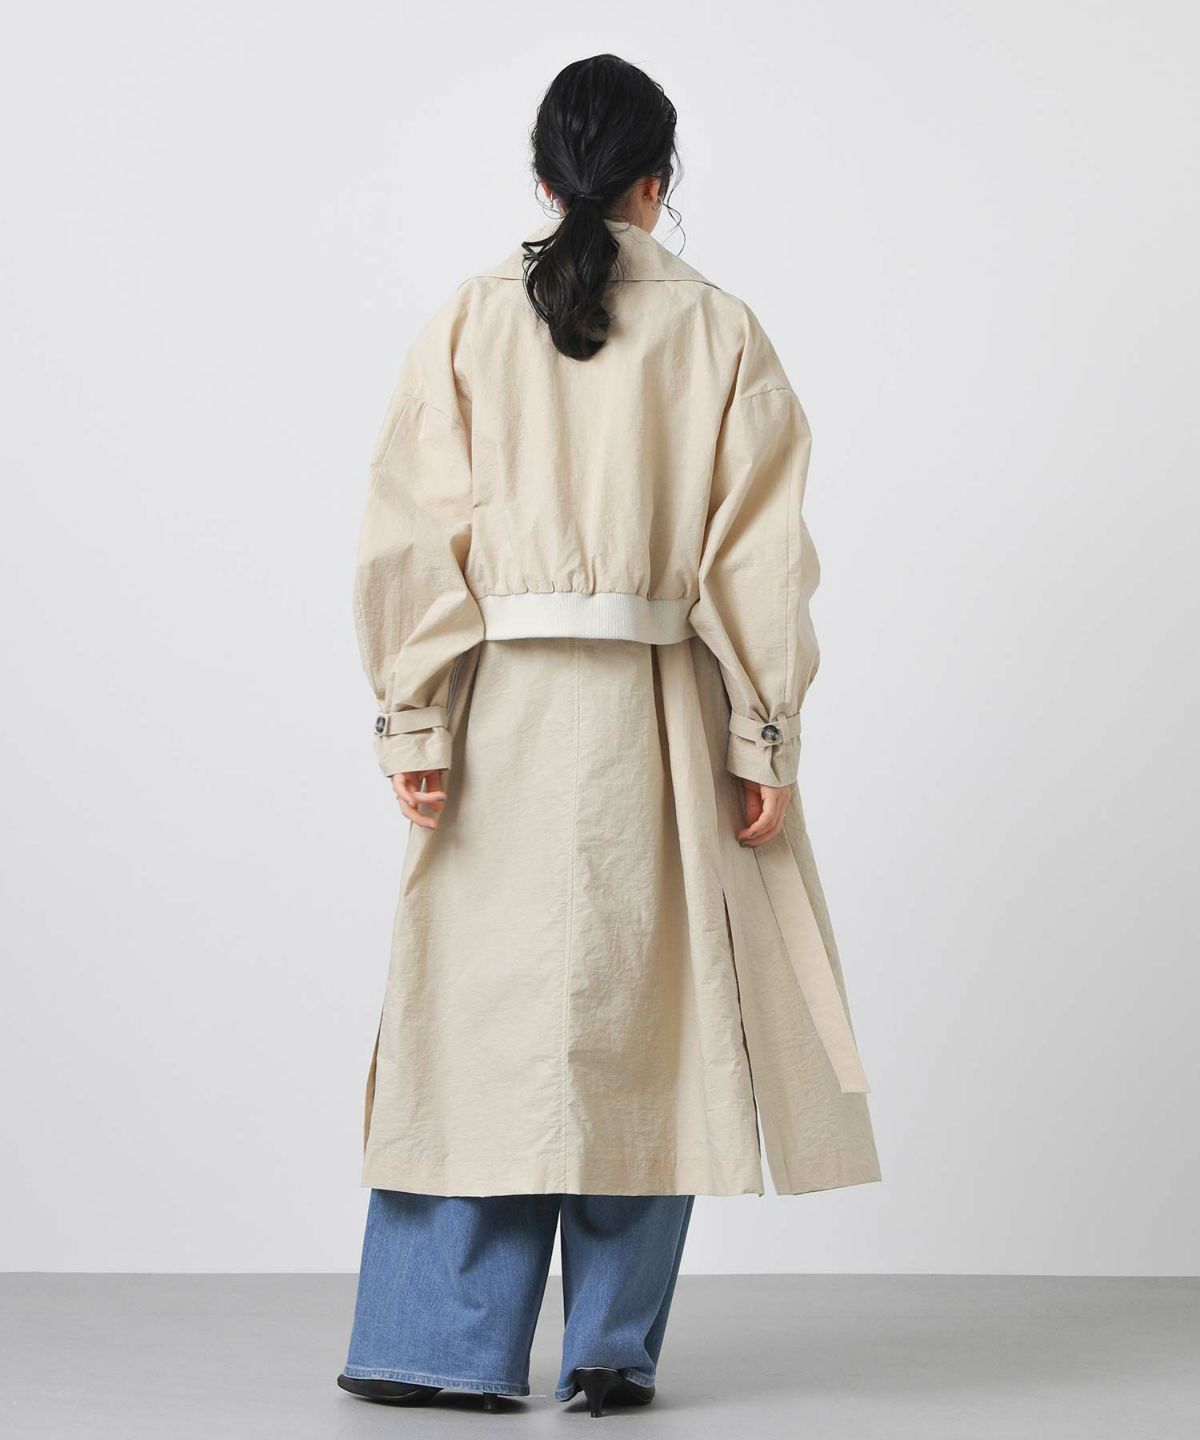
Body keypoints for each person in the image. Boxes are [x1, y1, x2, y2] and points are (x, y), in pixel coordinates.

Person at [337, 53, 879, 1417]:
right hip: (659, 719)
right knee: (653, 1018)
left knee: (475, 1020)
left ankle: (438, 1343)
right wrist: (761, 736)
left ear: (543, 179)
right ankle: (607, 1350)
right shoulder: (721, 331)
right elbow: (762, 561)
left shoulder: (470, 320)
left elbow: (410, 532)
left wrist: (416, 715)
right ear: (658, 179)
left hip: (502, 718)